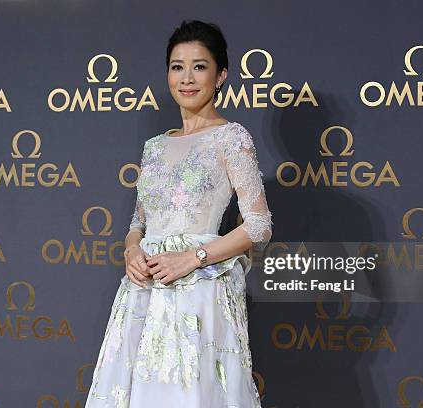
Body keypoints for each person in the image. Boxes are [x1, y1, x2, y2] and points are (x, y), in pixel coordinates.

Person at [85, 19, 273, 408]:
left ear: (221, 75)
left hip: (199, 290)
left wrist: (193, 258)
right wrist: (132, 251)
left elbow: (258, 225)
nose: (187, 78)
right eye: (177, 66)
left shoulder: (231, 138)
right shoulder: (154, 147)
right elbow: (138, 224)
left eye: (199, 66)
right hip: (144, 290)